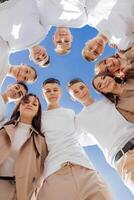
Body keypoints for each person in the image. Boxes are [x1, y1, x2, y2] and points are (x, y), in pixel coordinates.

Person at [38, 78, 114, 200]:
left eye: (55, 90)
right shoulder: (39, 118)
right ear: (43, 94)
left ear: (60, 92)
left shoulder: (70, 113)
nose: (52, 93)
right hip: (54, 172)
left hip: (85, 169)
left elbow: (87, 135)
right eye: (48, 91)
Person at [68, 78, 134, 194]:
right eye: (76, 92)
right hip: (124, 158)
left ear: (88, 87)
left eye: (82, 87)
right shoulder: (79, 120)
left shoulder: (108, 100)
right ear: (73, 98)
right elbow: (77, 140)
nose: (81, 92)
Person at [36, 0, 134, 57]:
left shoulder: (88, 19)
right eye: (96, 52)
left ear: (87, 42)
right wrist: (122, 53)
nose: (95, 47)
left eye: (90, 48)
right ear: (101, 52)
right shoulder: (122, 43)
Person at [0, 93, 47, 200]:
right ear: (18, 108)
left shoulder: (41, 141)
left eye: (34, 104)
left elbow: (41, 172)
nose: (29, 104)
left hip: (20, 193)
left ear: (37, 113)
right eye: (26, 102)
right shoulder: (3, 130)